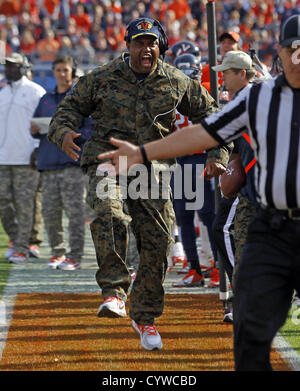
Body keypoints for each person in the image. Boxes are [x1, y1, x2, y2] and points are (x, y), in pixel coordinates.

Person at [97, 14, 300, 370]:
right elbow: (205, 132)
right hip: (273, 228)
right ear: (280, 52)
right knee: (249, 329)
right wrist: (144, 152)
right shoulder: (259, 98)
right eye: (293, 49)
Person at [47, 17, 217, 351]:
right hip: (107, 161)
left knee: (159, 242)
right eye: (139, 42)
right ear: (127, 46)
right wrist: (63, 133)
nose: (146, 49)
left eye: (152, 43)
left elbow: (212, 116)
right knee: (110, 215)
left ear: (161, 47)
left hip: (151, 170)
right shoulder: (102, 77)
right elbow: (66, 110)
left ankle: (146, 318)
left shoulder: (177, 82)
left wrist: (218, 153)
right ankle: (114, 291)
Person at [31, 55, 91, 271]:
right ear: (53, 72)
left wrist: (71, 134)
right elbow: (36, 129)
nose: (62, 74)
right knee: (50, 212)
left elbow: (90, 128)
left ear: (73, 72)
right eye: (58, 70)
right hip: (48, 163)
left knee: (75, 213)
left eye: (65, 70)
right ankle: (58, 253)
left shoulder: (81, 98)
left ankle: (75, 256)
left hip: (72, 163)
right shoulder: (45, 99)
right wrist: (35, 130)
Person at [0, 53, 46, 264]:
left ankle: (22, 247)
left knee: (26, 203)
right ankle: (18, 239)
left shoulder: (36, 91)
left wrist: (37, 149)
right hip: (3, 158)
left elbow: (44, 124)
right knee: (4, 204)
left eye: (12, 66)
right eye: (7, 66)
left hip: (26, 158)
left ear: (23, 67)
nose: (8, 69)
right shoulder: (3, 93)